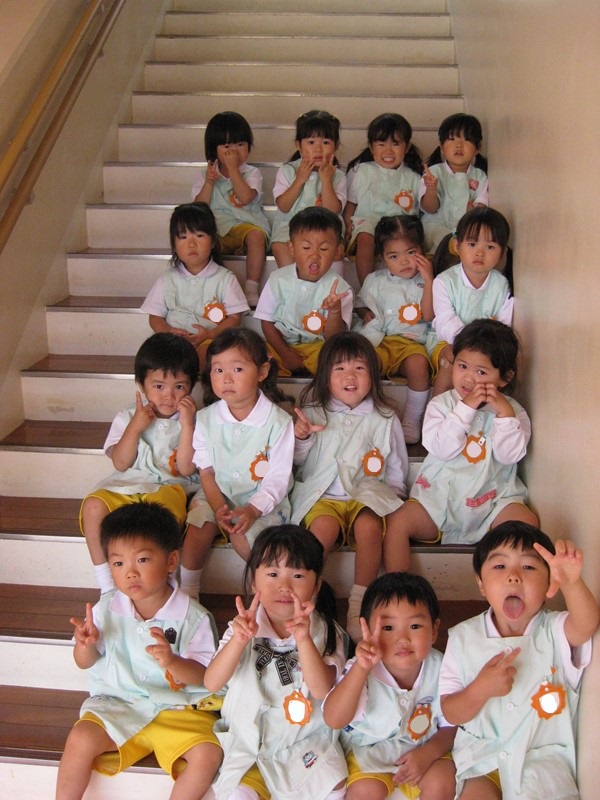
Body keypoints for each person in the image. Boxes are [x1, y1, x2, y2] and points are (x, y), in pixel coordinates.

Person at [56, 502, 223, 800]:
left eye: (142, 560)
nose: (130, 573)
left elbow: (205, 676)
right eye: (118, 564)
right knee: (81, 736)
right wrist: (85, 646)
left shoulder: (193, 617)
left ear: (171, 561)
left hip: (179, 709)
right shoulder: (106, 609)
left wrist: (173, 661)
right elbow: (84, 663)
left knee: (208, 755)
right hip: (120, 705)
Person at [440, 522, 599, 800]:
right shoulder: (463, 637)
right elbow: (451, 712)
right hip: (483, 758)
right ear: (481, 583)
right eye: (500, 566)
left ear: (549, 583)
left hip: (541, 759)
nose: (513, 576)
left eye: (528, 567)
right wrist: (479, 690)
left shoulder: (554, 629)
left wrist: (572, 583)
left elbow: (586, 625)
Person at [203, 524, 349, 800]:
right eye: (272, 574)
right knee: (240, 794)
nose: (284, 586)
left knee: (334, 787)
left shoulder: (328, 631)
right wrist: (238, 641)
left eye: (297, 575)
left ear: (317, 585)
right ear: (253, 581)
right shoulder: (240, 627)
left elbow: (322, 690)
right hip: (249, 745)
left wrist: (304, 639)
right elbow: (211, 682)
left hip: (305, 741)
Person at [384, 319, 539, 574]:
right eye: (462, 366)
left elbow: (509, 456)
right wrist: (464, 409)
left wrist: (505, 415)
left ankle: (504, 585)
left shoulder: (514, 412)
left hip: (493, 498)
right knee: (397, 522)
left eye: (481, 372)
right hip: (438, 499)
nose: (468, 378)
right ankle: (398, 587)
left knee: (527, 523)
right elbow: (441, 448)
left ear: (505, 378)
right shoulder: (441, 405)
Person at [291, 331, 409, 642]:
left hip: (366, 494)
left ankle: (359, 604)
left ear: (373, 374)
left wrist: (393, 495)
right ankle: (307, 602)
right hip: (323, 496)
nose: (350, 376)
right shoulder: (313, 412)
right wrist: (302, 436)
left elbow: (396, 465)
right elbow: (298, 462)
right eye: (339, 368)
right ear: (325, 376)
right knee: (321, 533)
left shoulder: (384, 417)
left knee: (369, 528)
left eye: (359, 368)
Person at [176, 329, 294, 597]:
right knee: (199, 522)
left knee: (243, 532)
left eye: (238, 369)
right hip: (215, 493)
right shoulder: (205, 419)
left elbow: (278, 479)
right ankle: (189, 591)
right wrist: (219, 507)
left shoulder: (279, 422)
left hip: (261, 499)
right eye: (218, 370)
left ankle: (266, 591)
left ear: (262, 372)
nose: (226, 378)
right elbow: (206, 471)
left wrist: (252, 510)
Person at [79, 332, 200, 594]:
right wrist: (135, 426)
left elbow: (186, 468)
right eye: (159, 386)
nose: (169, 396)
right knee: (92, 506)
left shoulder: (193, 419)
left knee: (162, 516)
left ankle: (164, 586)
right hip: (127, 484)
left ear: (191, 386)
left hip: (170, 487)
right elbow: (120, 463)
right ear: (141, 385)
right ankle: (107, 587)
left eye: (179, 386)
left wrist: (188, 425)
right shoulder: (127, 417)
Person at [323, 572, 456, 800]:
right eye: (388, 628)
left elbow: (451, 724)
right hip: (369, 751)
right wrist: (361, 669)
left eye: (415, 625)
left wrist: (428, 753)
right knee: (365, 791)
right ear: (365, 628)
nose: (402, 639)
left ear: (434, 630)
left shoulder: (443, 667)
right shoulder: (360, 667)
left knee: (443, 779)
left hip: (424, 748)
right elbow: (334, 719)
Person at [141, 202, 249, 369]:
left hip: (210, 340)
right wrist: (167, 331)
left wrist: (211, 334)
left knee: (209, 354)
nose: (191, 244)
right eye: (183, 237)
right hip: (174, 342)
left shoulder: (225, 279)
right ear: (174, 245)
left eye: (199, 235)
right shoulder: (167, 279)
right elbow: (155, 317)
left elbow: (235, 318)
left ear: (213, 241)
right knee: (154, 355)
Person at [355, 214, 434, 443]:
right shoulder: (375, 279)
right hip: (381, 340)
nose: (404, 261)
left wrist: (429, 280)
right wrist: (364, 313)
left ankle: (412, 419)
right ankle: (368, 413)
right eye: (394, 256)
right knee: (364, 364)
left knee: (419, 365)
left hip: (411, 342)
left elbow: (429, 315)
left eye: (411, 252)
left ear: (422, 250)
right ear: (382, 258)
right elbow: (360, 303)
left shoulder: (428, 281)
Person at [254, 206, 353, 375]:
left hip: (318, 348)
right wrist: (286, 354)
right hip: (281, 345)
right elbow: (267, 323)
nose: (315, 255)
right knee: (255, 358)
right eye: (306, 248)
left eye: (323, 249)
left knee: (338, 360)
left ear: (338, 251)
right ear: (291, 248)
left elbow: (334, 337)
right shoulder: (278, 279)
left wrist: (335, 311)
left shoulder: (341, 289)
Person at [427, 206, 513, 395]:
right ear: (457, 246)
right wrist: (466, 345)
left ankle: (478, 410)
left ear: (501, 253)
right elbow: (445, 320)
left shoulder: (502, 286)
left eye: (490, 247)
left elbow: (503, 326)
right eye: (472, 244)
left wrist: (483, 348)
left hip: (486, 347)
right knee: (451, 363)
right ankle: (436, 410)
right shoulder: (444, 281)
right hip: (447, 341)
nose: (480, 252)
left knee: (487, 368)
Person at [192, 111, 270, 306]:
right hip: (218, 228)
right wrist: (209, 183)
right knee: (204, 242)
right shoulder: (206, 174)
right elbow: (199, 206)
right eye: (227, 147)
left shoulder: (252, 173)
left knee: (256, 237)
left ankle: (251, 287)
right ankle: (214, 288)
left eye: (240, 145)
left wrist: (234, 169)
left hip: (247, 224)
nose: (234, 152)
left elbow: (245, 197)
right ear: (213, 150)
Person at [344, 113, 424, 285]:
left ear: (407, 147)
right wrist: (347, 225)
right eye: (381, 144)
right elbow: (351, 204)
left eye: (395, 144)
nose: (388, 151)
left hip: (400, 225)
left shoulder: (414, 177)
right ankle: (367, 288)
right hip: (368, 222)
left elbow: (423, 210)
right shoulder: (360, 171)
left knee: (406, 240)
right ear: (371, 147)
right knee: (366, 236)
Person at [270, 109, 347, 268]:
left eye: (325, 143)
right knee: (280, 246)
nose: (318, 149)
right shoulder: (287, 171)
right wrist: (299, 179)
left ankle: (333, 284)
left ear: (336, 146)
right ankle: (291, 282)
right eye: (311, 142)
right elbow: (283, 206)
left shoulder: (338, 176)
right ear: (298, 145)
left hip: (325, 229)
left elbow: (333, 211)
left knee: (336, 250)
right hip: (290, 228)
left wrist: (326, 181)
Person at [420, 113, 489, 254]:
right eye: (452, 139)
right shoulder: (433, 172)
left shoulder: (480, 176)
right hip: (436, 226)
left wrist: (473, 213)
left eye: (467, 139)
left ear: (477, 149)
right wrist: (431, 189)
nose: (459, 145)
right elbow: (429, 209)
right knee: (444, 239)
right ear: (442, 147)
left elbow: (481, 207)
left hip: (465, 229)